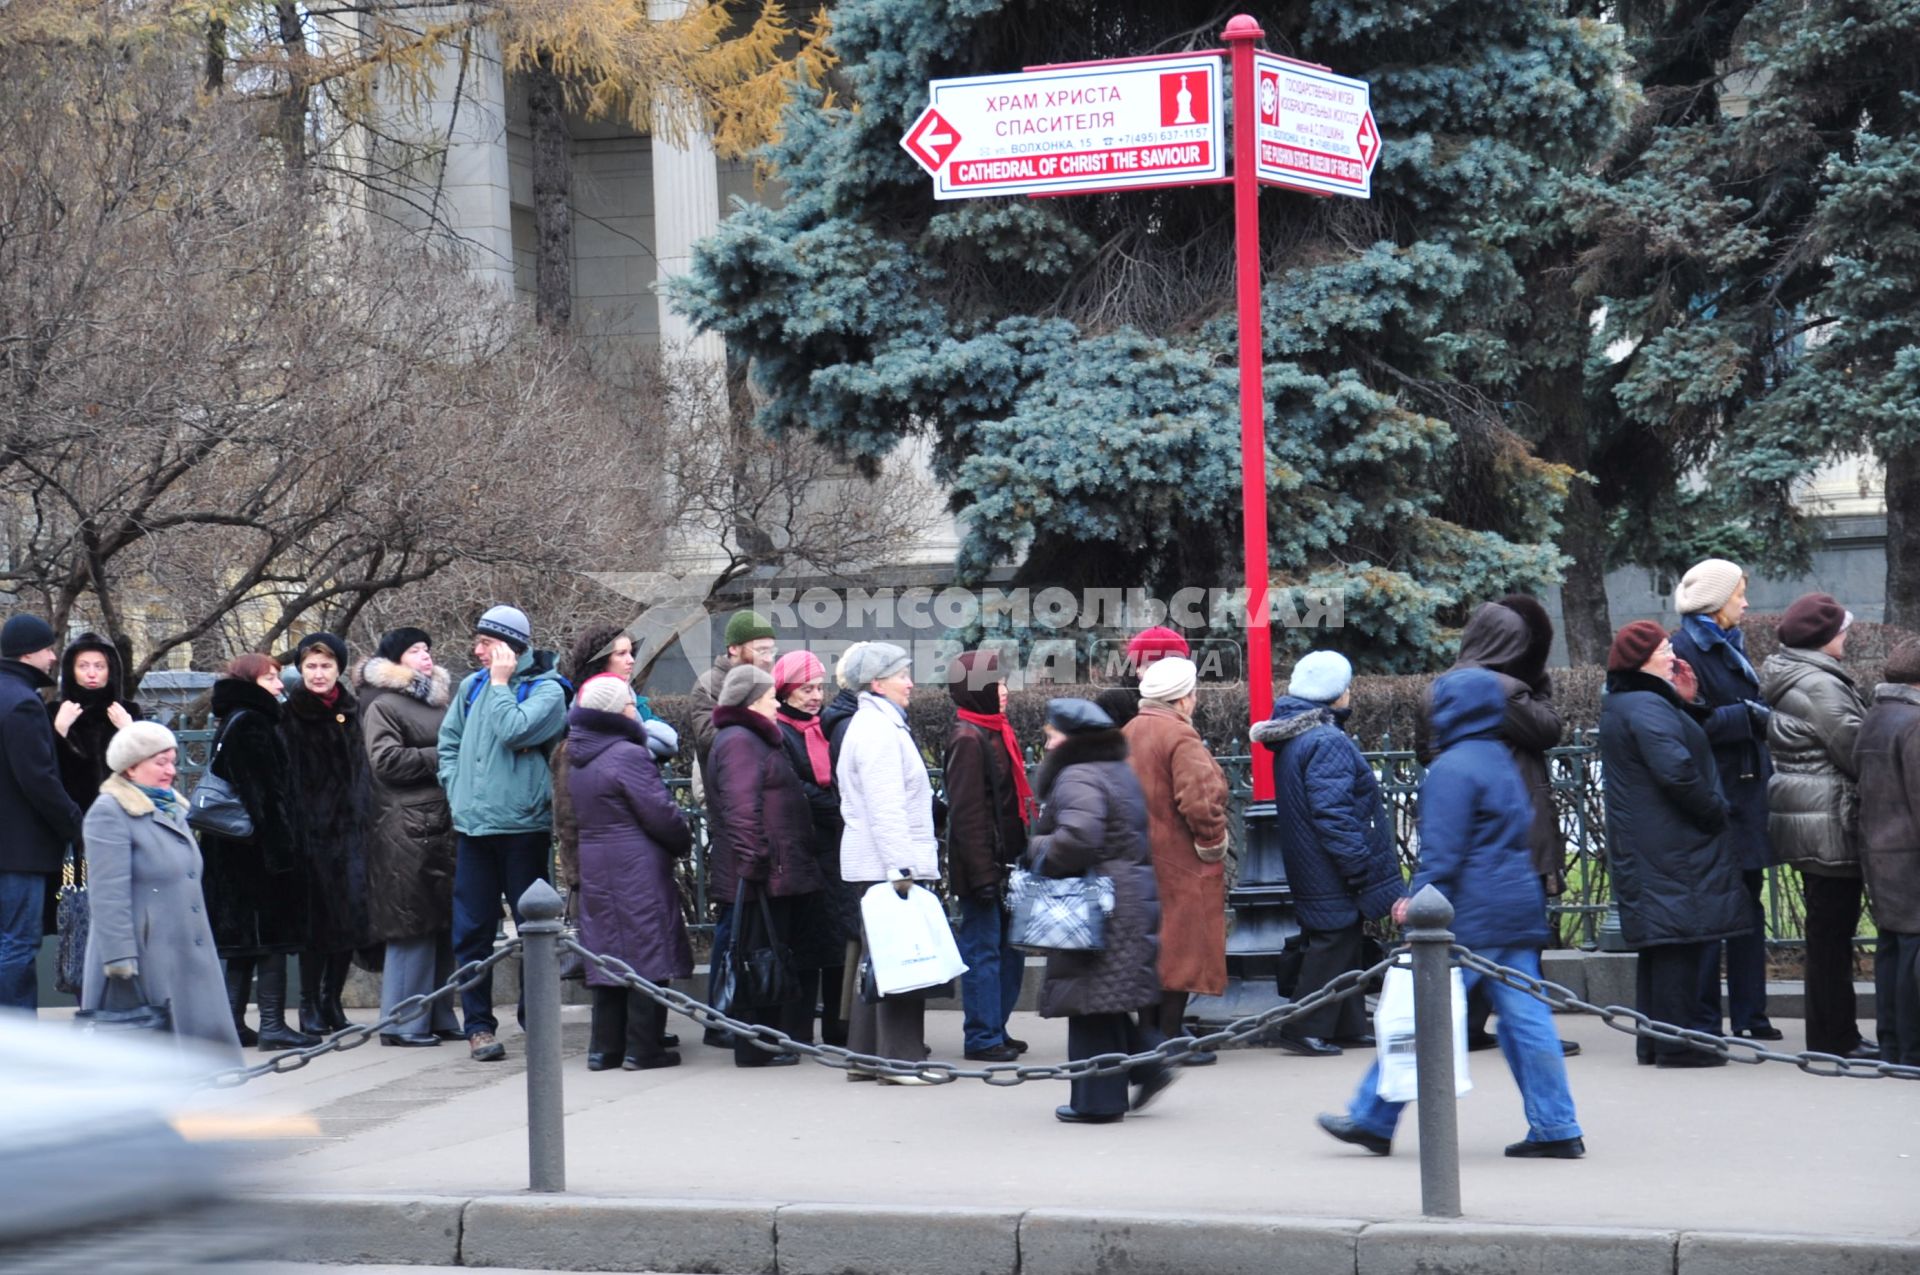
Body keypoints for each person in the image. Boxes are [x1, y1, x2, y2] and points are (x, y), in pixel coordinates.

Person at [1317, 669, 1583, 1158]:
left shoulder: (1452, 767)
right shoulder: (1500, 759)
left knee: (1418, 1017)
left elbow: (1442, 851)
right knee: (1528, 1021)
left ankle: (1373, 1117)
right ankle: (1557, 1126)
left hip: (1467, 914)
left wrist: (1418, 901)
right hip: (1516, 904)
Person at [1415, 598, 1576, 1056]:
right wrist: (1536, 684)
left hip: (1461, 816)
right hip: (1513, 816)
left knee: (1472, 938)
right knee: (1510, 940)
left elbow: (1423, 749)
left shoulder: (1438, 688)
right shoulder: (1505, 689)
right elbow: (1548, 730)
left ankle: (1472, 1028)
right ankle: (1511, 1031)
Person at [1598, 621, 1750, 1067]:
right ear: (1642, 660)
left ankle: (1657, 1040)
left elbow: (1677, 745)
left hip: (1657, 842)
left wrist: (1686, 700)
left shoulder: (1637, 702)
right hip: (1672, 844)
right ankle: (1679, 1045)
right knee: (1678, 943)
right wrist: (1715, 811)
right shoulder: (1645, 705)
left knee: (1665, 945)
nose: (1673, 654)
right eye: (1665, 648)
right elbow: (1677, 771)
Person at [1027, 698, 1173, 1124]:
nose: (1048, 742)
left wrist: (1034, 848)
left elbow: (1077, 839)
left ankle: (1097, 1102)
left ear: (1073, 738)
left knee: (1088, 1000)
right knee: (1104, 997)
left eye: (1052, 734)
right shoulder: (1113, 770)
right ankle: (1146, 1063)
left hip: (1097, 904)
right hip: (1123, 898)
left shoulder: (1077, 776)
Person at [1251, 651, 1403, 1056]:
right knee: (1332, 941)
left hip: (1312, 859)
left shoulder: (1300, 736)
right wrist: (1357, 866)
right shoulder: (1326, 740)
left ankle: (1346, 1023)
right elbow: (1333, 813)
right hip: (1329, 864)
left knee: (1343, 938)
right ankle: (1304, 1026)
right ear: (1335, 693)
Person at [438, 604, 570, 1062]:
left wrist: (499, 684)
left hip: (523, 828)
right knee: (471, 931)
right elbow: (449, 743)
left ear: (509, 648)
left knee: (535, 929)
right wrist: (456, 789)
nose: (476, 651)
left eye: (486, 643)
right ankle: (478, 1027)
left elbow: (514, 730)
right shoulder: (471, 687)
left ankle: (537, 1023)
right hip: (473, 827)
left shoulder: (547, 690)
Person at [81, 722, 240, 1061]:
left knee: (197, 1059)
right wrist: (120, 963)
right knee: (150, 1059)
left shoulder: (174, 808)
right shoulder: (109, 812)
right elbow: (108, 896)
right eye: (160, 762)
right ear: (132, 767)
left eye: (172, 760)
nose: (171, 770)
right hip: (145, 956)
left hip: (186, 952)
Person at [1668, 559, 1779, 1041]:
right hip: (1719, 796)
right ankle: (1706, 1020)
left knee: (1748, 906)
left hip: (1745, 790)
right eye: (1739, 595)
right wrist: (1747, 717)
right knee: (1717, 908)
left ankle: (1751, 1015)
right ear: (1716, 601)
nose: (1747, 603)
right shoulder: (1684, 648)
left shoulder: (1728, 643)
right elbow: (1686, 725)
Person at [1761, 593, 1875, 1058]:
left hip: (1811, 816)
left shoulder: (1799, 674)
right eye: (1842, 631)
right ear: (1824, 638)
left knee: (1826, 933)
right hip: (1827, 820)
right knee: (1832, 936)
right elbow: (1855, 751)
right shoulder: (1819, 685)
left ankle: (1832, 1035)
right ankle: (1835, 1039)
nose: (1847, 638)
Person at [567, 674, 692, 1072]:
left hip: (596, 862)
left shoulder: (578, 755)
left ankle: (604, 1049)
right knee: (647, 950)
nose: (634, 710)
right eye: (629, 704)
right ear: (616, 711)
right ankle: (644, 1047)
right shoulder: (628, 753)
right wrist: (682, 839)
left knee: (607, 953)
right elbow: (659, 813)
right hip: (635, 863)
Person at [706, 663, 822, 1068]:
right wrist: (755, 860)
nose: (776, 704)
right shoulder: (740, 741)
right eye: (771, 697)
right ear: (753, 701)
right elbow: (741, 808)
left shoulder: (751, 738)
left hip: (772, 870)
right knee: (757, 958)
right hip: (760, 874)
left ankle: (766, 1041)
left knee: (767, 954)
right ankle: (754, 1048)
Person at [835, 642, 939, 1081]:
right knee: (903, 963)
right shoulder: (878, 730)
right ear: (877, 683)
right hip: (888, 868)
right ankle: (901, 1061)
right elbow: (886, 807)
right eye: (901, 674)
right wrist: (902, 871)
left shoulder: (876, 724)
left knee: (876, 961)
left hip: (877, 867)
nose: (910, 682)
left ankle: (866, 1057)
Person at [200, 653, 313, 1050]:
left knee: (245, 945)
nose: (280, 685)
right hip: (256, 853)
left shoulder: (232, 718)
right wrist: (283, 855)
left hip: (231, 851)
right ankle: (272, 1024)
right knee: (271, 941)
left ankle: (233, 1024)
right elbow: (265, 795)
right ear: (252, 683)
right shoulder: (253, 723)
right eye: (271, 678)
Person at [1123, 655, 1230, 1062]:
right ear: (1184, 699)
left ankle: (1149, 1037)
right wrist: (1211, 843)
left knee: (1151, 952)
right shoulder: (1180, 736)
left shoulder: (1130, 730)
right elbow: (1199, 800)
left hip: (1140, 857)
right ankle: (1168, 1040)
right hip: (1180, 861)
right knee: (1182, 952)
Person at [357, 628, 460, 1047]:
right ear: (396, 660)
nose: (426, 655)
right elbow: (384, 761)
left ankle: (439, 1012)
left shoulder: (438, 702)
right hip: (404, 829)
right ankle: (402, 1021)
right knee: (411, 925)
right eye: (415, 650)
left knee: (442, 924)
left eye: (428, 648)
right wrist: (445, 753)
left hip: (441, 825)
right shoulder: (382, 704)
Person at [281, 632, 374, 1037]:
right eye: (311, 667)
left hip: (351, 834)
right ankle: (309, 1006)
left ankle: (333, 1001)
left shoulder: (351, 710)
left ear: (339, 669)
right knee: (315, 928)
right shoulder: (289, 715)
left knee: (348, 923)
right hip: (311, 836)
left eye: (326, 666)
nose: (319, 674)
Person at [943, 649, 1033, 1063]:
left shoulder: (995, 731)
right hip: (984, 870)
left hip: (1008, 865)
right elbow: (967, 816)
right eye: (997, 684)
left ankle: (995, 1027)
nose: (1005, 692)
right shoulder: (968, 738)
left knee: (1009, 950)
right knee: (985, 951)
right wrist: (982, 876)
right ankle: (981, 1036)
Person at [0, 614, 85, 1011]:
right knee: (17, 942)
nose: (54, 657)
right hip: (18, 850)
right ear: (30, 652)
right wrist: (74, 822)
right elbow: (38, 777)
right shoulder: (22, 702)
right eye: (49, 649)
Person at [773, 649, 857, 1046]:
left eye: (819, 687)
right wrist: (838, 808)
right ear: (786, 690)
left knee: (838, 940)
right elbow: (796, 787)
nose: (814, 696)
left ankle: (839, 1030)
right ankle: (799, 1033)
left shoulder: (822, 725)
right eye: (806, 688)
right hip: (806, 847)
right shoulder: (781, 731)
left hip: (835, 848)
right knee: (807, 946)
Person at [1855, 639, 1920, 1065]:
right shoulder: (1915, 723)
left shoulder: (1876, 717)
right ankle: (1913, 1051)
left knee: (1893, 948)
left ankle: (1894, 1043)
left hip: (1878, 848)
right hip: (1911, 851)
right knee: (1913, 952)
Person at [49, 632, 144, 864]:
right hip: (68, 826)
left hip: (120, 823)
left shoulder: (128, 712)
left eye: (99, 666)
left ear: (110, 670)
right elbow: (44, 769)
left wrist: (128, 730)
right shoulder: (54, 712)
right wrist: (59, 729)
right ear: (71, 670)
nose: (92, 673)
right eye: (83, 666)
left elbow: (146, 771)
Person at [689, 610, 777, 779]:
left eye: (771, 651)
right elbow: (710, 740)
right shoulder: (708, 685)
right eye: (761, 651)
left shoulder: (767, 682)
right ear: (734, 649)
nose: (768, 659)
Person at [1095, 626, 1191, 728]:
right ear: (1137, 668)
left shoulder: (1182, 697)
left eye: (1170, 668)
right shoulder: (1113, 700)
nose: (1161, 674)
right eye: (1152, 667)